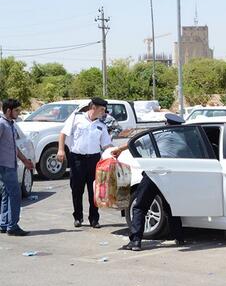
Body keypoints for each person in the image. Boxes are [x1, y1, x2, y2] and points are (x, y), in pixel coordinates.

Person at [112, 113, 186, 251]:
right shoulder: (183, 139)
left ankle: (135, 242)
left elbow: (134, 143)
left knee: (140, 207)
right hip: (172, 177)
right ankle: (179, 237)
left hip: (154, 174)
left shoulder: (159, 134)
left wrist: (118, 149)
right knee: (171, 207)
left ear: (166, 124)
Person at [57, 97, 112, 229]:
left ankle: (94, 218)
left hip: (93, 160)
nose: (103, 113)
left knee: (93, 190)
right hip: (77, 159)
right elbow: (63, 133)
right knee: (77, 189)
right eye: (102, 110)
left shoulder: (101, 125)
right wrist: (60, 150)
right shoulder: (76, 118)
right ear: (93, 108)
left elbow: (106, 145)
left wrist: (115, 153)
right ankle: (78, 217)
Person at [0, 99, 35, 236]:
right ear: (9, 111)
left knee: (6, 194)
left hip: (9, 164)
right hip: (5, 165)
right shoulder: (2, 124)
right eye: (16, 110)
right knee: (15, 194)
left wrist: (25, 161)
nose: (18, 113)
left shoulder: (11, 124)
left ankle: (4, 223)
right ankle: (12, 226)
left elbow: (13, 147)